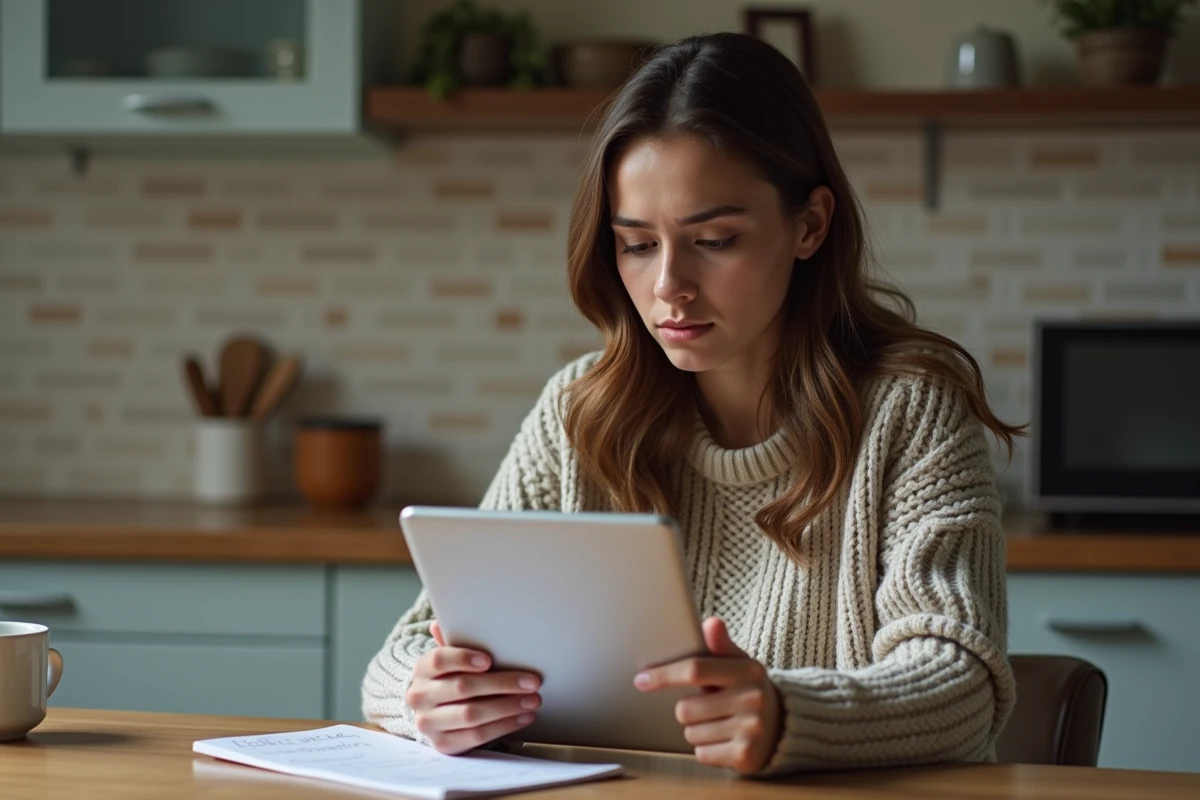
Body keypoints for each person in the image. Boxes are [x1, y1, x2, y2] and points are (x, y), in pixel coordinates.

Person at [363, 31, 1021, 777]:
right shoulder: (580, 411)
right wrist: (426, 696)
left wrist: (787, 716)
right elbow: (407, 650)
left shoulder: (912, 413)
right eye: (637, 245)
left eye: (713, 239)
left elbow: (961, 684)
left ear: (810, 225)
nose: (669, 285)